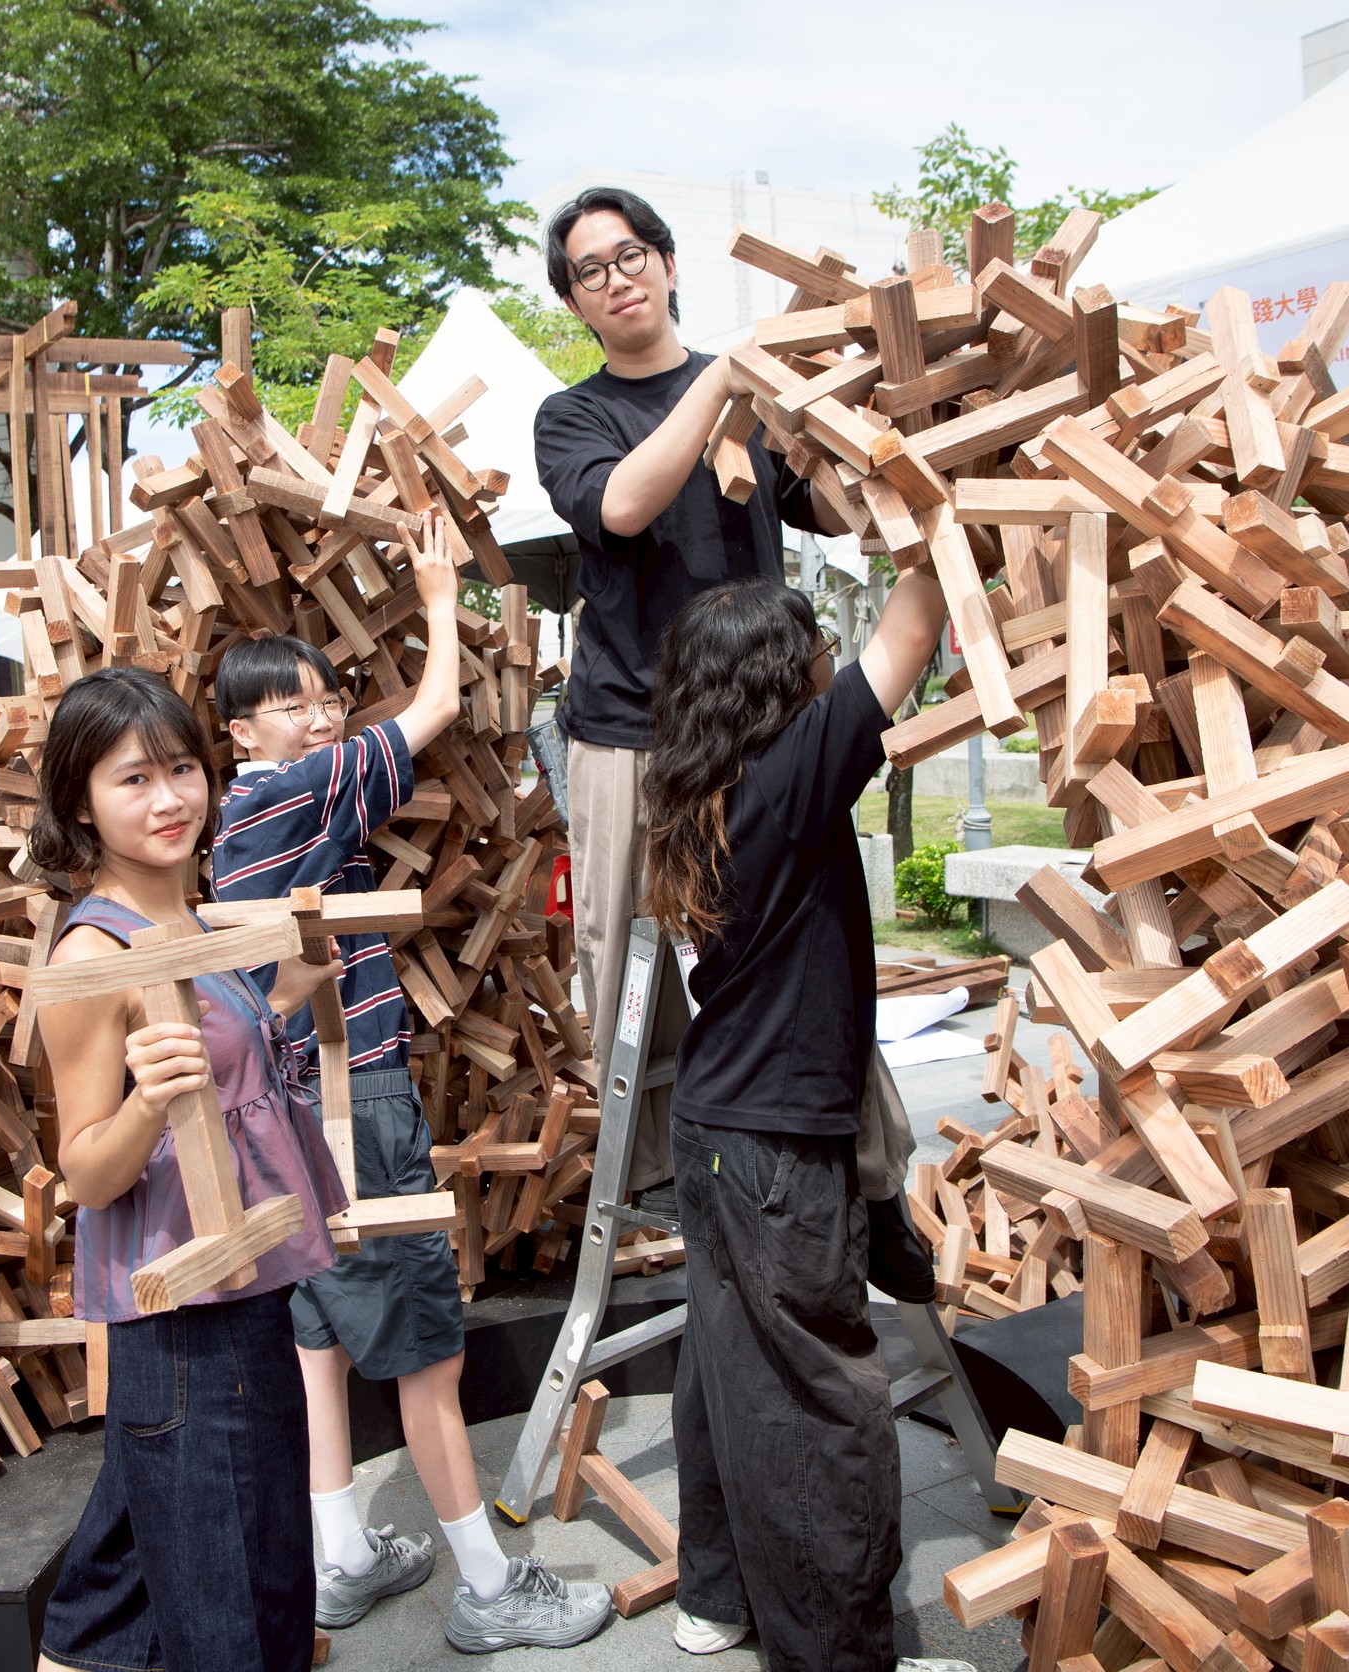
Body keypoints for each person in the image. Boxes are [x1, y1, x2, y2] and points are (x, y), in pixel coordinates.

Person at [210, 512, 613, 1655]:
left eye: (326, 697)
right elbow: (432, 710)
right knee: (429, 1346)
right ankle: (487, 1587)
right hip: (356, 1095)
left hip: (280, 1110)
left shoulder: (237, 820)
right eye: (291, 704)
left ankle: (342, 1557)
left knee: (317, 1332)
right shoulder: (299, 788)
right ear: (242, 731)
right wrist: (439, 598)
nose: (322, 715)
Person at [532, 185, 931, 1297]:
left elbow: (837, 512)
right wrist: (725, 381)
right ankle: (669, 1176)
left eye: (631, 256)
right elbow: (621, 506)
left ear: (667, 263)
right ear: (574, 301)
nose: (617, 279)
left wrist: (866, 434)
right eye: (591, 270)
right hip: (626, 734)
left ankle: (871, 1179)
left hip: (765, 733)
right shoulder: (574, 416)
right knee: (621, 959)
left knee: (818, 953)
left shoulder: (754, 401)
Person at [641, 571, 968, 1671]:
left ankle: (717, 1596)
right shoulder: (789, 778)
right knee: (821, 1398)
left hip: (716, 1131)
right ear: (783, 681)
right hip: (776, 1148)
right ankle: (837, 1655)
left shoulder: (695, 786)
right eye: (817, 648)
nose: (835, 659)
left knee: (726, 1370)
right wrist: (940, 505)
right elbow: (911, 628)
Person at [32, 667, 350, 1672]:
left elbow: (220, 1081)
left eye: (181, 769)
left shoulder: (197, 922)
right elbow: (86, 1174)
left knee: (205, 1578)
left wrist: (281, 1001)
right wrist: (143, 1105)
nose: (169, 798)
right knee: (234, 1606)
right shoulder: (94, 956)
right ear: (81, 801)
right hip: (184, 1319)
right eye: (133, 779)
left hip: (248, 1288)